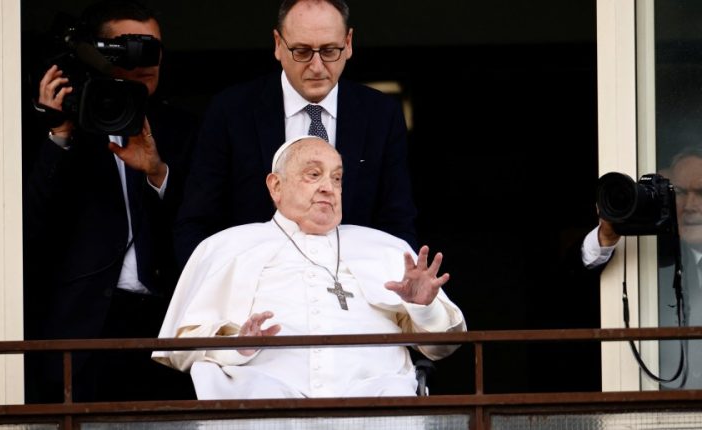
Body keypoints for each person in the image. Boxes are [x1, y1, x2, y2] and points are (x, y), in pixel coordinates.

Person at [153, 136, 465, 399]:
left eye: (337, 178)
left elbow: (443, 348)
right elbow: (179, 349)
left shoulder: (387, 248)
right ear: (276, 186)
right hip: (262, 402)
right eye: (313, 174)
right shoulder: (226, 246)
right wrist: (237, 346)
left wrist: (424, 308)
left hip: (375, 402)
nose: (329, 187)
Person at [24, 0, 196, 402]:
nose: (146, 60)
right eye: (130, 48)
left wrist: (157, 174)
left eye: (153, 48)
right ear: (96, 55)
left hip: (163, 326)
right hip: (82, 327)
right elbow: (31, 226)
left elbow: (203, 228)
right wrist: (58, 135)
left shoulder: (184, 129)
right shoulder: (63, 123)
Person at [173, 0, 417, 266]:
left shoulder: (381, 114)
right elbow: (197, 223)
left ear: (348, 43)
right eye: (302, 51)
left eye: (329, 51)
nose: (316, 66)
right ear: (278, 44)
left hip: (351, 281)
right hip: (255, 282)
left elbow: (397, 223)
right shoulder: (231, 111)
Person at [580, 146, 702, 388]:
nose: (690, 205)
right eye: (679, 192)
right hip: (660, 398)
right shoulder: (654, 257)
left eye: (701, 193)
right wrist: (607, 234)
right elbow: (572, 285)